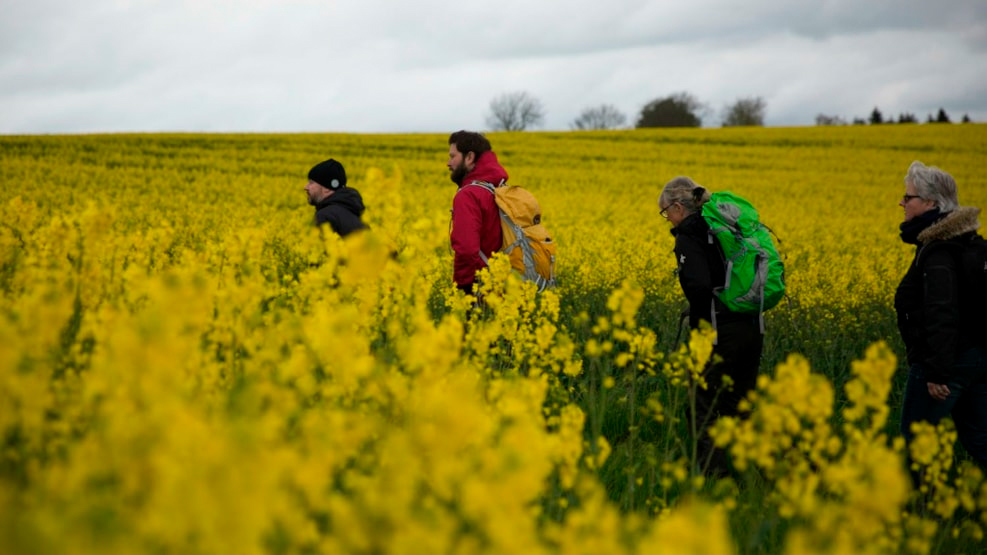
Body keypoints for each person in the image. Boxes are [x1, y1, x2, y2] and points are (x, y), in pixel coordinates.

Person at [658, 176, 764, 477]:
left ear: (679, 207)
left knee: (701, 405)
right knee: (738, 405)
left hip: (718, 329)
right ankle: (751, 475)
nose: (667, 219)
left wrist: (699, 327)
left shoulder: (689, 234)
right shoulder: (726, 225)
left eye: (666, 212)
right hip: (752, 323)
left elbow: (699, 286)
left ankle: (714, 479)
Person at [894, 160, 987, 477]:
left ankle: (917, 516)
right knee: (980, 439)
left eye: (909, 197)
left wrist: (936, 371)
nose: (902, 203)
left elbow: (941, 311)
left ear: (932, 203)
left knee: (916, 444)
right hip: (976, 360)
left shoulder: (939, 252)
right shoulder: (968, 244)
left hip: (944, 364)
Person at [447, 130, 507, 296]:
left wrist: (461, 291)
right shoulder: (498, 189)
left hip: (480, 289)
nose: (448, 163)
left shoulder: (469, 195)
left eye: (453, 156)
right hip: (507, 288)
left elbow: (466, 250)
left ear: (469, 157)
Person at [305, 158, 368, 237]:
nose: (306, 187)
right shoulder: (357, 212)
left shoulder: (325, 216)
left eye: (311, 183)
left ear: (327, 188)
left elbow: (318, 248)